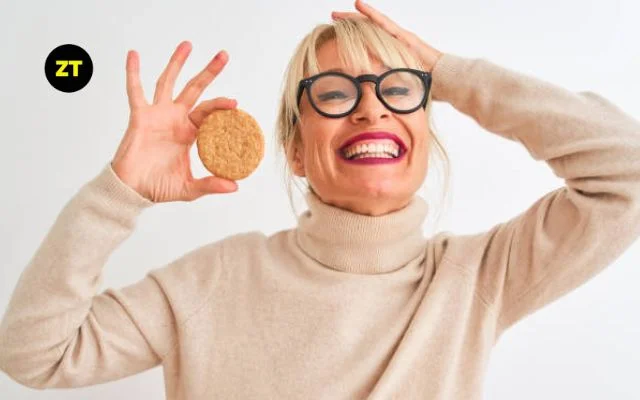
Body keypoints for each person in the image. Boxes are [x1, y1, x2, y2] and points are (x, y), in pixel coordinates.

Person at [1, 1, 639, 398]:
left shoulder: (476, 279)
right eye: (334, 94)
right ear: (297, 151)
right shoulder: (212, 281)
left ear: (424, 130)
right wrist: (118, 195)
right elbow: (33, 356)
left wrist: (448, 74)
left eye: (396, 91)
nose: (369, 108)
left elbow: (627, 171)